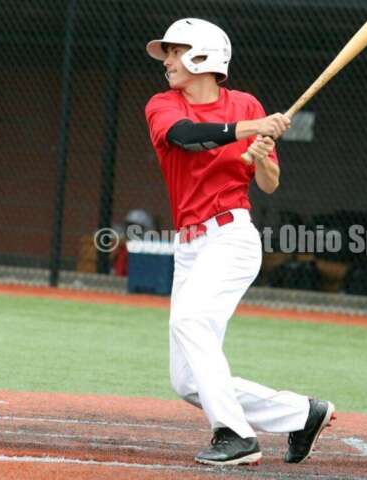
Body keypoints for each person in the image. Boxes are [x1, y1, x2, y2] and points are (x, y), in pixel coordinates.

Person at [143, 18, 335, 466]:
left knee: (190, 323)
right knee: (187, 381)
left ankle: (234, 435)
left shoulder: (246, 103)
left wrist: (263, 155)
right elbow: (186, 138)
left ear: (204, 55)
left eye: (176, 50)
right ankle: (302, 414)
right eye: (168, 52)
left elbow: (269, 183)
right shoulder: (163, 105)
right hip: (189, 247)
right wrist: (248, 131)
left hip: (230, 237)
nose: (167, 60)